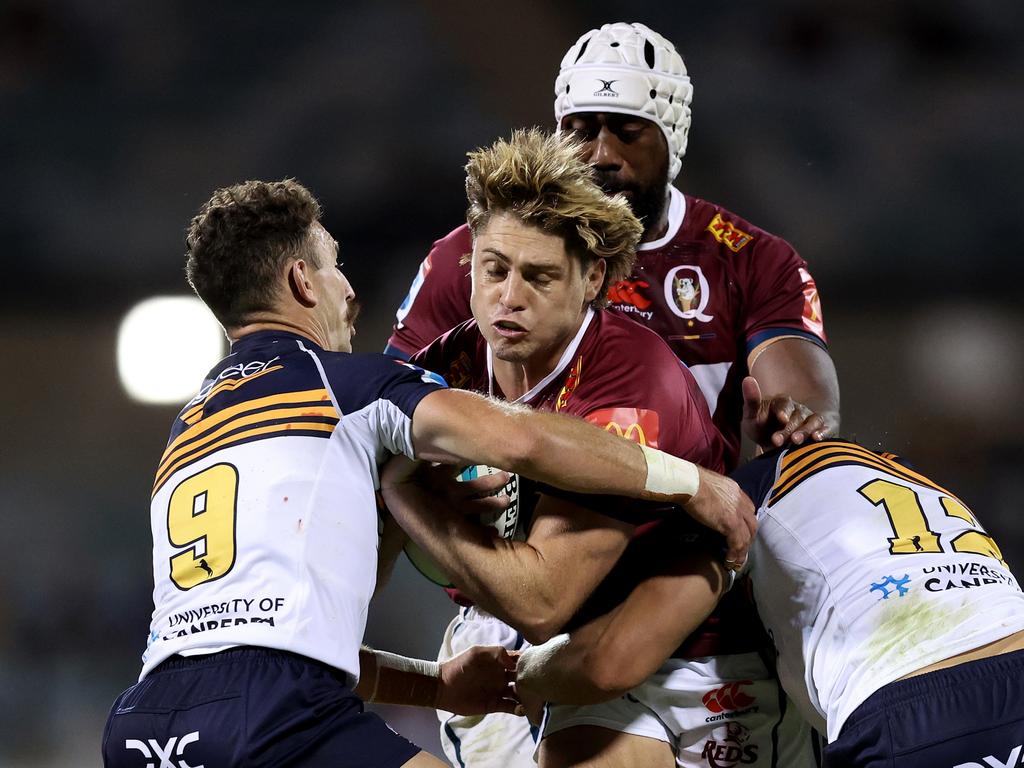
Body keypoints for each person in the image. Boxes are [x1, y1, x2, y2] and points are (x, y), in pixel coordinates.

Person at [99, 179, 754, 768]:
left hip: (143, 722)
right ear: (303, 281)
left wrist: (435, 686)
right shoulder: (349, 386)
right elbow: (521, 438)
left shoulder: (190, 426)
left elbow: (267, 643)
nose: (349, 290)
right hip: (276, 715)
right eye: (335, 266)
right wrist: (695, 482)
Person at [379, 129, 800, 768]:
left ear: (592, 278)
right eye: (493, 270)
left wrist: (404, 494)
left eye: (539, 277)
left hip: (696, 652)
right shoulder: (450, 363)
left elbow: (542, 600)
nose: (508, 297)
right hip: (562, 655)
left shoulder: (631, 379)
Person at [386, 21, 841, 472]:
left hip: (686, 528)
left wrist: (788, 426)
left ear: (673, 137)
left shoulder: (752, 259)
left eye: (626, 131)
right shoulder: (477, 257)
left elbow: (804, 417)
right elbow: (391, 400)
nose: (601, 155)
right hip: (512, 516)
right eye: (583, 131)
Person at [515, 422, 1024, 767]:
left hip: (913, 707)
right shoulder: (907, 472)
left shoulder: (744, 494)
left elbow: (612, 662)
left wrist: (522, 671)